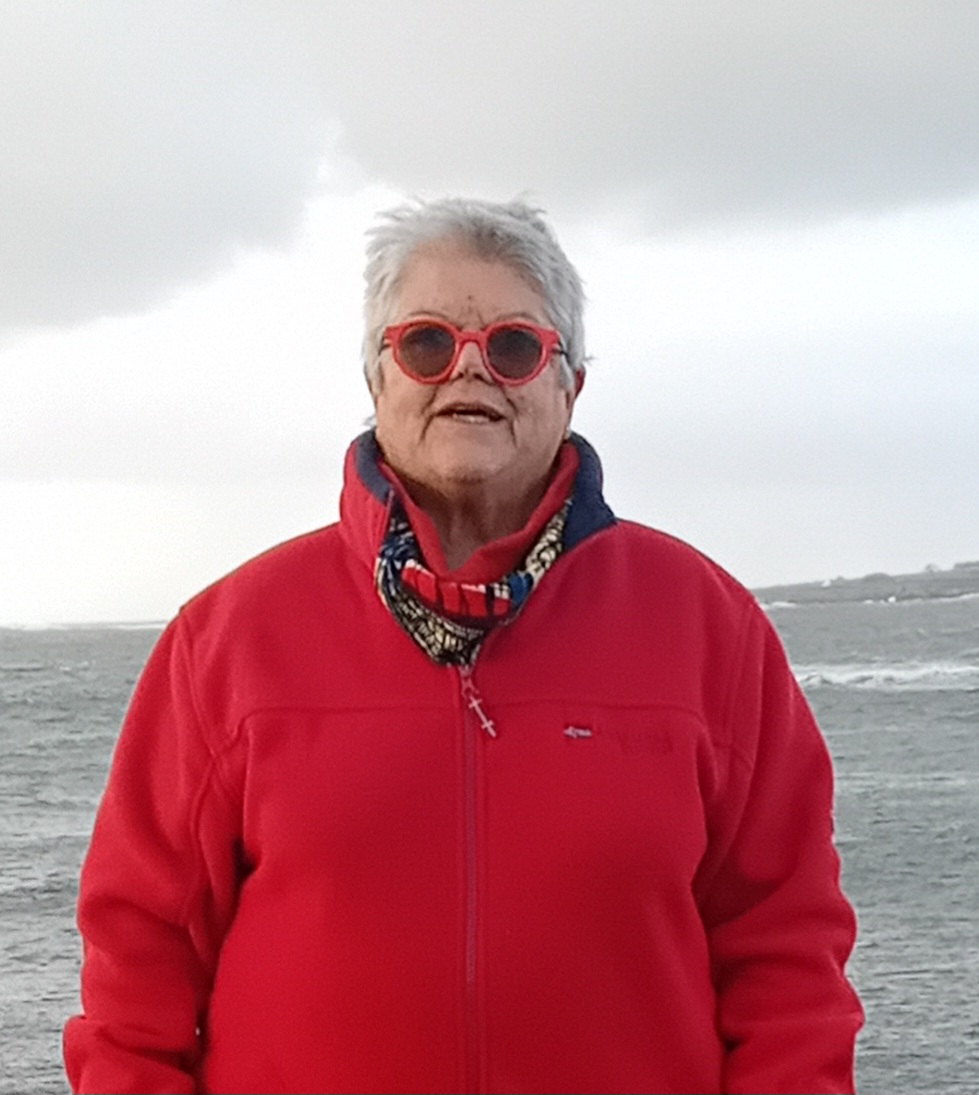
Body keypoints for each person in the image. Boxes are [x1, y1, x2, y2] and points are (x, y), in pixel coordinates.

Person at [64, 197, 863, 1094]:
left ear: (570, 385)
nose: (470, 370)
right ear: (378, 378)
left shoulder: (709, 628)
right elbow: (137, 965)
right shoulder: (227, 640)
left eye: (514, 346)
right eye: (427, 344)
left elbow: (786, 954)